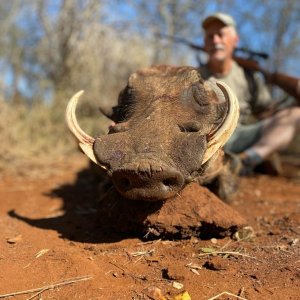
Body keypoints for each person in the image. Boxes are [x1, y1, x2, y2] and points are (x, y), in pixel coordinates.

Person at [200, 12, 300, 174]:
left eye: (220, 35)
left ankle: (246, 160)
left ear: (235, 40)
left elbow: (264, 112)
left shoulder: (249, 76)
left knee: (295, 114)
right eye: (210, 37)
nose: (215, 41)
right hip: (209, 141)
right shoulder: (194, 77)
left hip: (242, 136)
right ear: (205, 43)